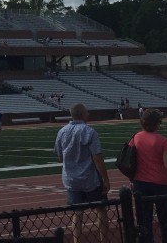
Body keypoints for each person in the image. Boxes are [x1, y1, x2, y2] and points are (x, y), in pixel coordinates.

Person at [54, 103, 110, 243]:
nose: (88, 114)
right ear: (82, 115)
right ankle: (104, 240)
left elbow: (60, 157)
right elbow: (97, 157)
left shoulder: (62, 131)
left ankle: (76, 241)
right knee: (101, 209)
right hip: (89, 178)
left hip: (71, 179)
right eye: (87, 112)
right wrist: (105, 179)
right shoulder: (89, 131)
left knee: (77, 213)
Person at [131, 109, 167, 243]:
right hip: (161, 183)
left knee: (144, 219)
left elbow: (131, 160)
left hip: (140, 183)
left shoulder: (136, 137)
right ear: (157, 124)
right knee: (164, 218)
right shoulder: (163, 141)